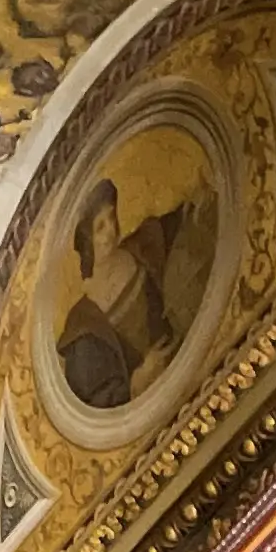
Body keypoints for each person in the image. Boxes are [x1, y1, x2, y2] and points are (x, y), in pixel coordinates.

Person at [53, 173, 213, 413]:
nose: (111, 231)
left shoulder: (141, 245)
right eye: (100, 227)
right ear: (85, 241)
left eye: (111, 217)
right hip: (159, 407)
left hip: (198, 358)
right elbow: (95, 400)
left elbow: (177, 228)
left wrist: (198, 203)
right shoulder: (83, 325)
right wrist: (136, 383)